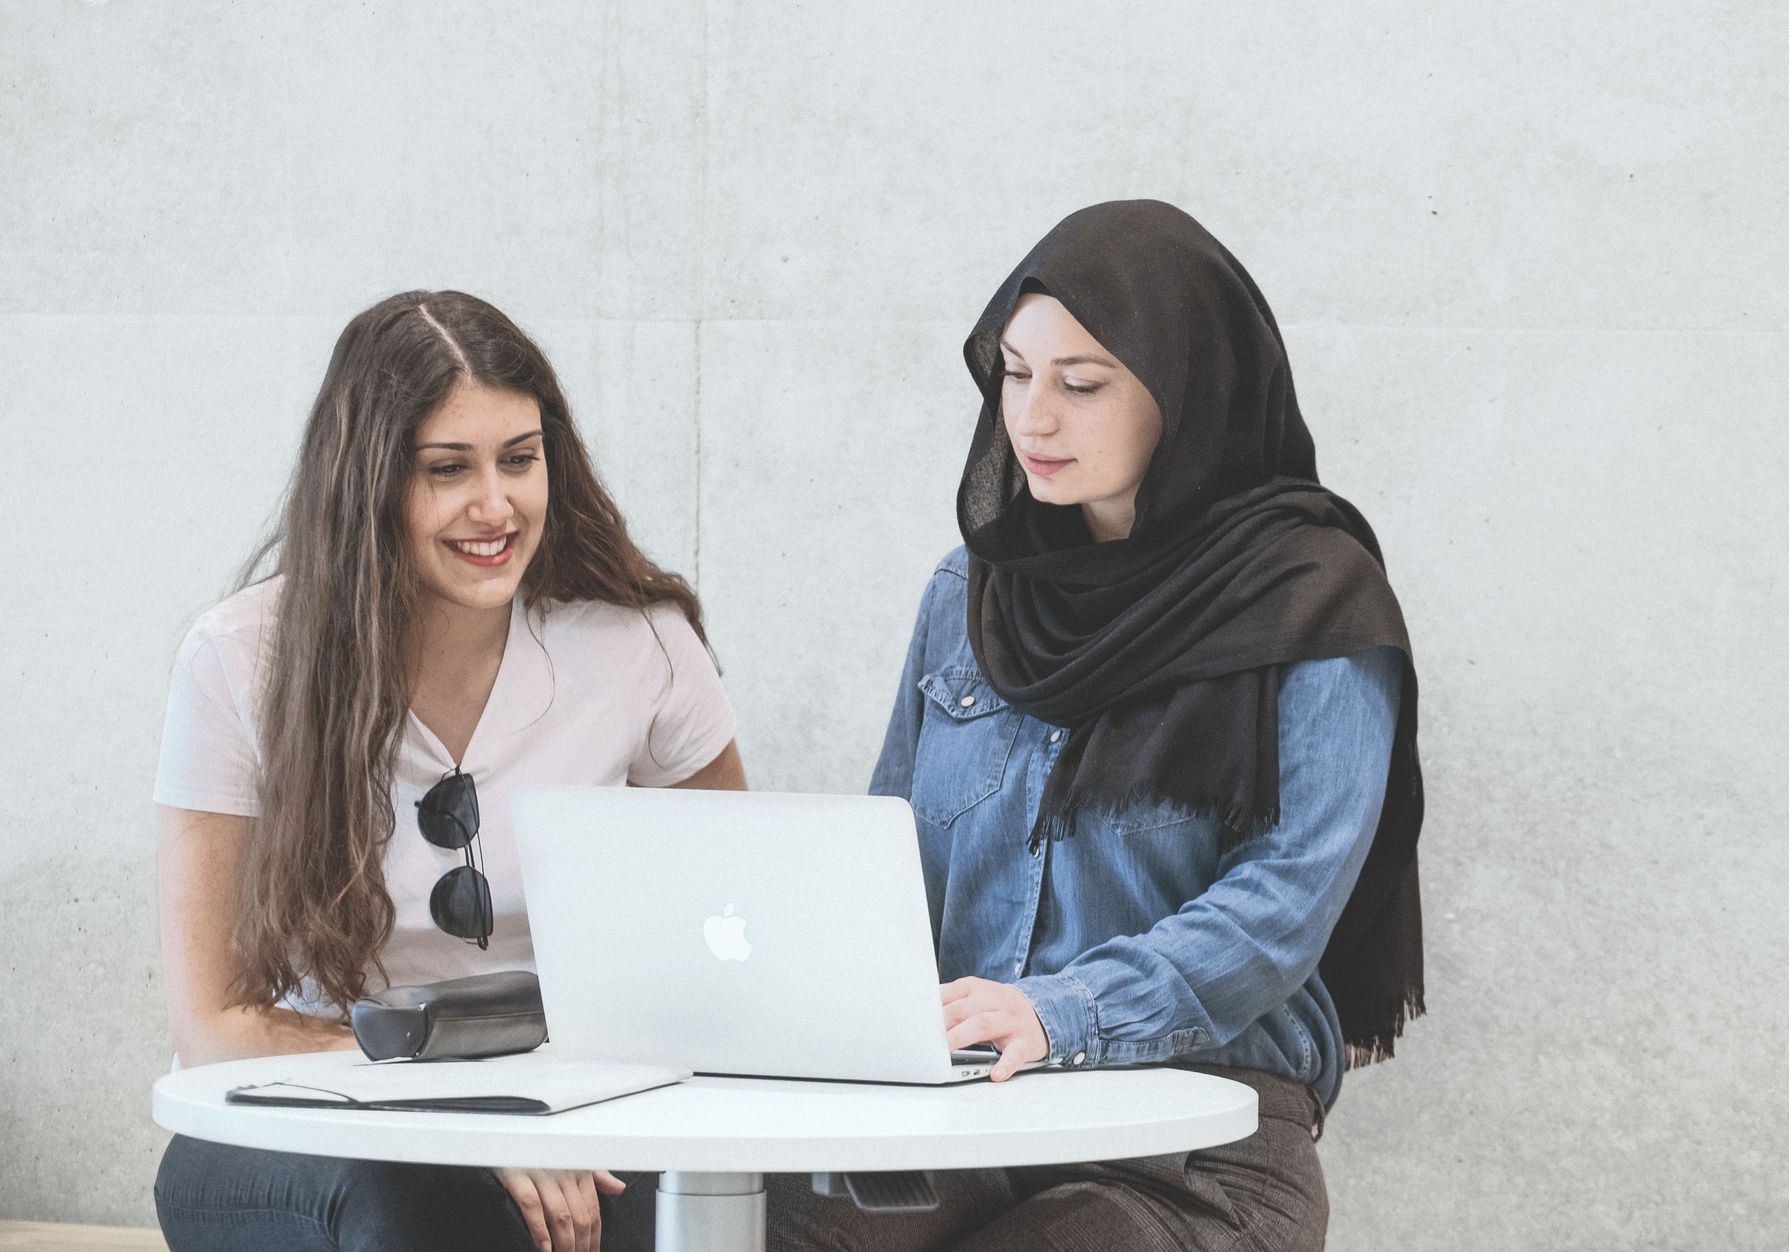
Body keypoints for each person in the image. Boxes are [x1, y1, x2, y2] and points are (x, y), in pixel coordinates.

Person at [765, 200, 1424, 1251]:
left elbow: (1282, 902)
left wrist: (1059, 1012)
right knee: (732, 1226)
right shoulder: (968, 595)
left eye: (1081, 384)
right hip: (964, 1119)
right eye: (1016, 375)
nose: (1033, 419)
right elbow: (884, 857)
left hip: (1198, 1151)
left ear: (1186, 390)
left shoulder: (1312, 607)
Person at [151, 291, 744, 1252]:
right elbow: (213, 1024)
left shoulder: (639, 643)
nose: (495, 505)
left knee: (735, 1206)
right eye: (446, 470)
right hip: (308, 1118)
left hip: (573, 1104)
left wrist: (551, 1100)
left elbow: (740, 926)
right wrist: (461, 1108)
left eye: (519, 458)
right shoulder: (238, 658)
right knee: (421, 1211)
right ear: (368, 483)